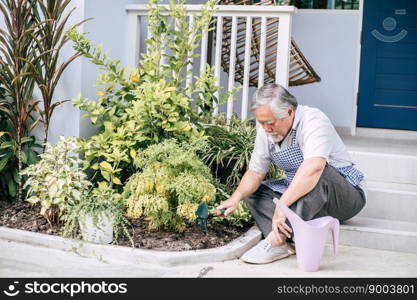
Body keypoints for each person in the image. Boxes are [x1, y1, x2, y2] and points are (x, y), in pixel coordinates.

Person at [217, 83, 366, 264]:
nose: (265, 128)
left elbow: (314, 167)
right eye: (261, 123)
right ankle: (287, 242)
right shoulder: (265, 131)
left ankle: (276, 239)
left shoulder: (313, 120)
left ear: (289, 112)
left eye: (269, 123)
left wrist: (282, 207)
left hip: (344, 197)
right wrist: (236, 197)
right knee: (255, 192)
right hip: (309, 200)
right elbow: (255, 173)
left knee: (319, 172)